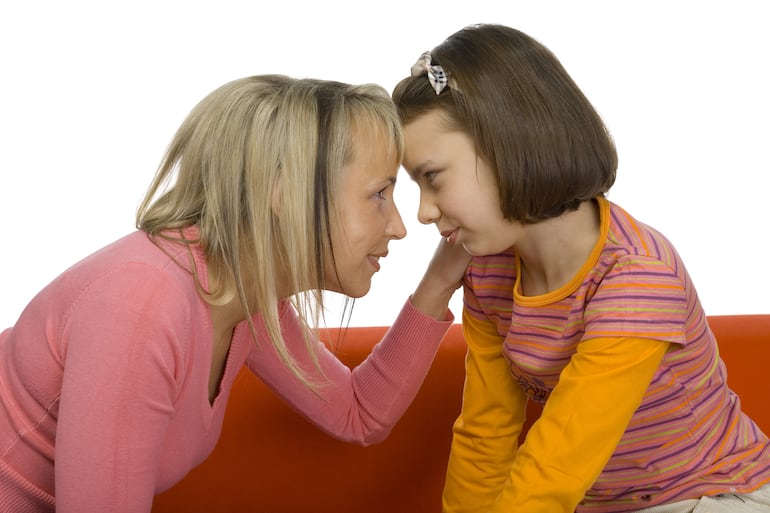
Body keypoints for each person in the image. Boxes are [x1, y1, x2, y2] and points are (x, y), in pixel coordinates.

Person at [0, 74, 471, 512]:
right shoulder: (141, 305)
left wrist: (444, 274)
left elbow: (358, 413)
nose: (399, 227)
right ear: (283, 192)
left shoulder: (244, 293)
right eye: (379, 195)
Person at [392, 23, 770, 513]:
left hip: (713, 494)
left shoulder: (638, 277)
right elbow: (486, 433)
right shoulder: (487, 272)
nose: (423, 211)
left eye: (433, 178)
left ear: (511, 142)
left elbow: (556, 466)